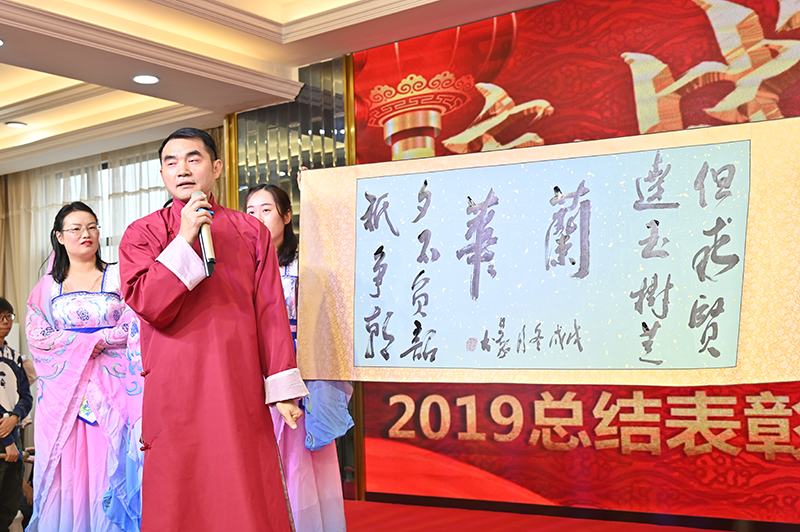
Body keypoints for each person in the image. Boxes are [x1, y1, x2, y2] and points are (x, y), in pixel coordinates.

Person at [118, 127, 308, 532]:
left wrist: (282, 387)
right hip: (174, 384)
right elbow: (148, 304)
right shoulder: (143, 233)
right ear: (162, 174)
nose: (182, 169)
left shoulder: (250, 230)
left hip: (236, 380)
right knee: (179, 486)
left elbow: (270, 311)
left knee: (242, 483)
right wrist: (185, 237)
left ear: (217, 167)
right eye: (171, 162)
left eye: (194, 159)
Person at [25, 202, 144, 532]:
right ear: (59, 236)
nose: (85, 234)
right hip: (67, 398)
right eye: (75, 228)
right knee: (68, 476)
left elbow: (136, 322)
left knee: (113, 464)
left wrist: (98, 339)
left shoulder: (119, 275)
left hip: (115, 391)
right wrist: (90, 342)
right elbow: (38, 337)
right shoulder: (46, 288)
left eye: (91, 226)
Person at [245, 184, 353, 532]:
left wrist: (319, 197)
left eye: (266, 210)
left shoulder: (305, 264)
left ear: (287, 216)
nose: (258, 218)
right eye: (250, 212)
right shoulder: (241, 266)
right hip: (253, 371)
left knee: (299, 458)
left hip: (301, 371)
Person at [0, 298, 33, 532]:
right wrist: (8, 440)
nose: (6, 322)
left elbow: (26, 397)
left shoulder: (15, 356)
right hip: (5, 440)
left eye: (9, 317)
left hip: (13, 434)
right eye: (0, 317)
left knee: (9, 504)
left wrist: (14, 418)